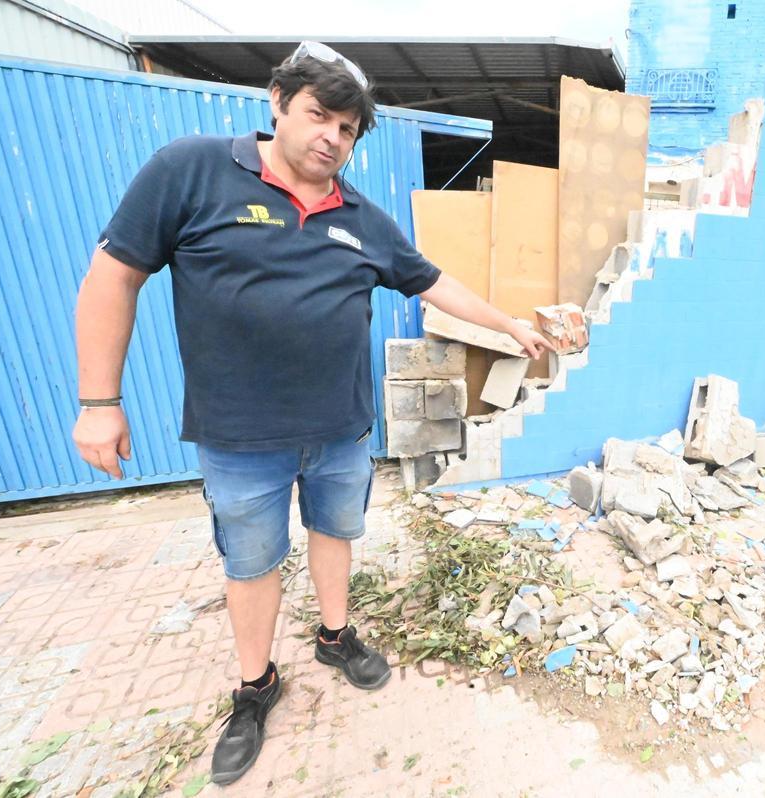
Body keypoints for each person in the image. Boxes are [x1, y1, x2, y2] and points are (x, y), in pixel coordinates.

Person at [71, 41, 550, 786]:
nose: (332, 136)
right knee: (252, 562)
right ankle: (256, 687)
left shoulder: (360, 215)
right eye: (319, 115)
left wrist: (511, 326)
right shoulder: (191, 169)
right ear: (277, 102)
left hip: (339, 431)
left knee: (336, 534)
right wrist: (99, 403)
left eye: (348, 129)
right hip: (240, 439)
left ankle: (334, 635)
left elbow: (432, 282)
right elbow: (113, 276)